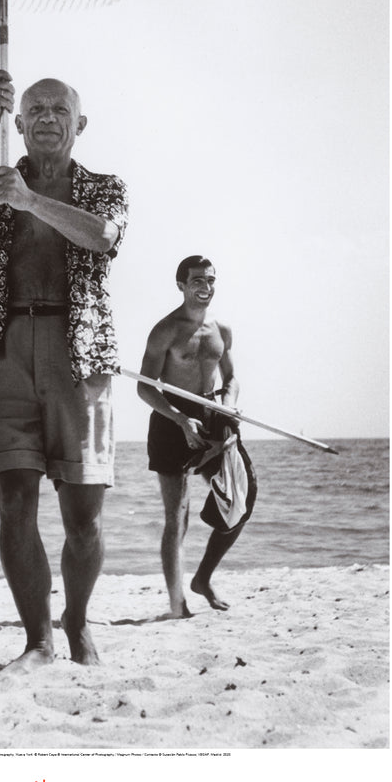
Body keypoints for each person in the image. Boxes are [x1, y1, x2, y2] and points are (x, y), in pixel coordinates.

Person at [0, 70, 129, 670]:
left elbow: (104, 238)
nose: (47, 118)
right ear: (21, 122)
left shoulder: (105, 187)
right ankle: (37, 639)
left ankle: (77, 620)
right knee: (14, 500)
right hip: (1, 349)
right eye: (34, 110)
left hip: (78, 352)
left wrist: (31, 201)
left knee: (84, 515)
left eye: (60, 110)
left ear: (79, 123)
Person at [138, 255, 256, 618]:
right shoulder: (166, 330)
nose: (205, 288)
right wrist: (178, 418)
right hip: (171, 418)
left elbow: (231, 378)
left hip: (213, 413)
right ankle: (177, 605)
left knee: (242, 500)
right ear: (181, 285)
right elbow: (145, 388)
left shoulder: (222, 330)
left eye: (210, 281)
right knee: (178, 516)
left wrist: (229, 404)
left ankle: (202, 578)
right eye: (197, 282)